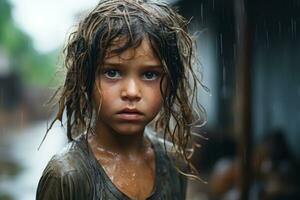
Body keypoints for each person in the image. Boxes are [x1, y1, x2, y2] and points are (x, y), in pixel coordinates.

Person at [36, 0, 205, 199]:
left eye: (150, 75)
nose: (132, 92)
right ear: (86, 79)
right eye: (112, 72)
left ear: (170, 84)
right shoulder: (67, 175)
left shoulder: (173, 162)